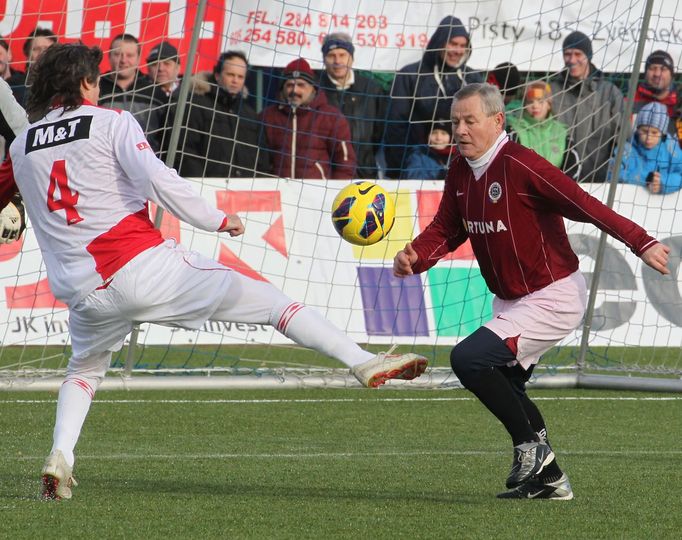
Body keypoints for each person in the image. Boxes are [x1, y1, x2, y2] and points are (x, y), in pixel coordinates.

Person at [0, 43, 427, 500]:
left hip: (81, 290)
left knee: (83, 370)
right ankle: (363, 361)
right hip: (140, 265)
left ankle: (60, 455)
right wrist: (217, 218)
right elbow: (156, 178)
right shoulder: (111, 121)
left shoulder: (23, 144)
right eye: (98, 79)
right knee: (274, 305)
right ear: (86, 82)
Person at [393, 83, 669, 499]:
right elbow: (447, 228)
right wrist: (417, 256)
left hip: (553, 295)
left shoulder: (523, 165)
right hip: (512, 300)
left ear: (497, 120)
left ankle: (531, 450)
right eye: (455, 122)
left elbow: (586, 204)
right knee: (509, 386)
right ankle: (552, 480)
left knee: (468, 360)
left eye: (470, 120)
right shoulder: (460, 169)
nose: (461, 130)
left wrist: (641, 241)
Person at [384, 16, 482, 178]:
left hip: (463, 163)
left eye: (462, 46)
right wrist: (397, 168)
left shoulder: (472, 79)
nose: (458, 51)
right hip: (419, 165)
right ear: (439, 43)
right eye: (453, 44)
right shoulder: (410, 75)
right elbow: (396, 126)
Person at [175, 50, 271, 178]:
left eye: (240, 76)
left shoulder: (251, 115)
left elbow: (263, 159)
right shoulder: (195, 106)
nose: (235, 80)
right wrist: (201, 184)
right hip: (206, 189)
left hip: (246, 191)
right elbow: (185, 151)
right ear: (217, 75)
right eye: (230, 74)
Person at [261, 57, 356, 179]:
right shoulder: (267, 116)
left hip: (316, 193)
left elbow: (345, 164)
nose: (295, 90)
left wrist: (333, 193)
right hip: (277, 192)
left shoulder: (331, 117)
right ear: (282, 89)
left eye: (301, 85)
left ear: (313, 88)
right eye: (290, 85)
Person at [549, 31, 623, 182]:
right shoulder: (552, 91)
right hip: (559, 180)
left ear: (588, 56)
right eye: (567, 54)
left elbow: (623, 139)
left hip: (598, 180)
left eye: (578, 54)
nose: (572, 59)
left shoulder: (609, 93)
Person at [319, 33, 388, 179]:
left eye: (342, 55)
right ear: (324, 59)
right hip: (327, 175)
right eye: (331, 55)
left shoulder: (371, 89)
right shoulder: (316, 90)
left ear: (352, 57)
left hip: (365, 172)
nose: (337, 61)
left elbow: (379, 132)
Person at [507, 81, 580, 179]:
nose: (535, 106)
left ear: (549, 104)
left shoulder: (561, 132)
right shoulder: (514, 131)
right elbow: (510, 166)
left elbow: (574, 167)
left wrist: (558, 189)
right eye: (530, 102)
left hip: (555, 191)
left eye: (540, 101)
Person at [612, 102, 682, 194]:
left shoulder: (672, 149)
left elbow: (680, 174)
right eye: (644, 131)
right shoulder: (625, 149)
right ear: (637, 129)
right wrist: (645, 179)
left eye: (654, 133)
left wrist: (662, 183)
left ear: (662, 133)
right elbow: (613, 174)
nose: (649, 137)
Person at [98, 34, 162, 135]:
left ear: (138, 58)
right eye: (118, 54)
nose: (123, 60)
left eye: (130, 55)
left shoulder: (154, 91)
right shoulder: (96, 87)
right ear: (109, 56)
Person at [632, 50, 679, 140]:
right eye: (652, 68)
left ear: (672, 74)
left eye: (663, 69)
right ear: (645, 73)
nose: (657, 74)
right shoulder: (630, 102)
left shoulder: (678, 105)